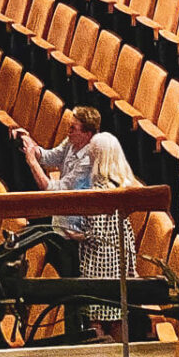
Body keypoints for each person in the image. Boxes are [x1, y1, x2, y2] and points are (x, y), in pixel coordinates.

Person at [68, 132, 140, 335]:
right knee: (118, 314)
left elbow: (95, 235)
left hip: (102, 260)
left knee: (97, 317)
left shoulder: (100, 191)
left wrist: (73, 235)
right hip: (121, 257)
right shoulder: (123, 184)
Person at [15, 105, 100, 275]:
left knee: (68, 282)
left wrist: (32, 162)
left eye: (73, 128)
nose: (68, 132)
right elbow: (50, 157)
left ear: (87, 135)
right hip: (60, 225)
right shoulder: (72, 142)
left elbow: (55, 191)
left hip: (75, 236)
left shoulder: (89, 162)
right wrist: (31, 145)